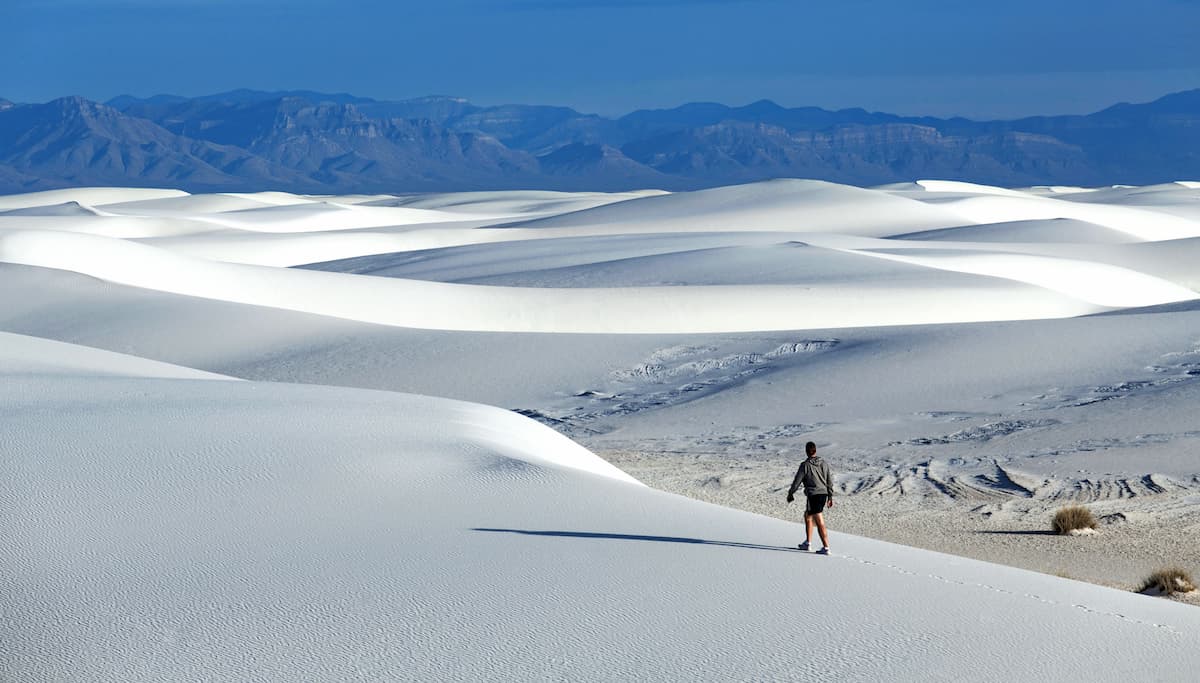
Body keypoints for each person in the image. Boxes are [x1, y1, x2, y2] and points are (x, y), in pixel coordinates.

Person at [786, 441, 834, 554]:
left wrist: (791, 493)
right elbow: (829, 480)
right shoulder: (824, 463)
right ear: (815, 450)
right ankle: (808, 543)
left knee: (819, 520)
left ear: (806, 451)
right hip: (823, 494)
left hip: (814, 495)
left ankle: (826, 547)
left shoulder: (805, 465)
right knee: (808, 515)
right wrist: (830, 496)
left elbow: (797, 481)